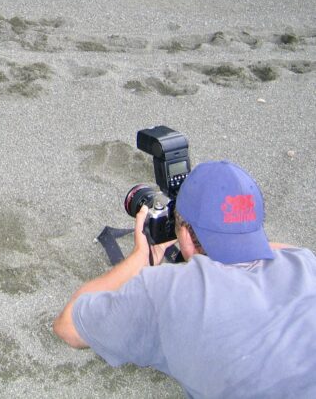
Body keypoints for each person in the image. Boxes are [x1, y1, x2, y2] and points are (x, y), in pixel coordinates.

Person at [53, 160, 316, 398]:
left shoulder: (169, 290)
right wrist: (233, 239)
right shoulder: (305, 264)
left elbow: (68, 327)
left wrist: (140, 259)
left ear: (187, 237)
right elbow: (280, 251)